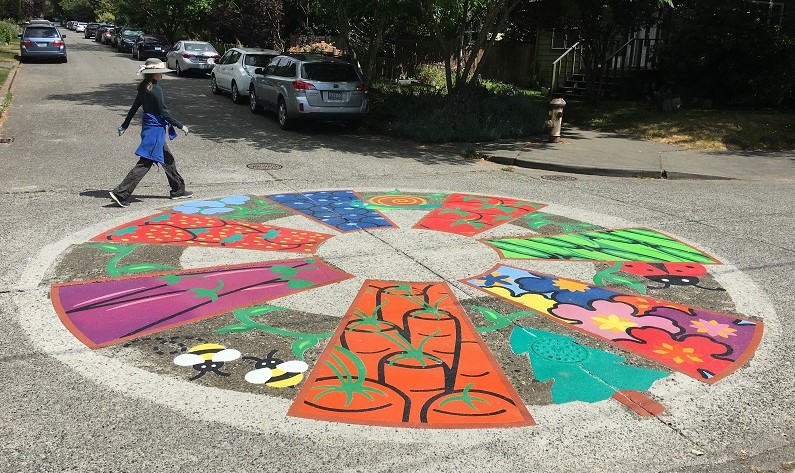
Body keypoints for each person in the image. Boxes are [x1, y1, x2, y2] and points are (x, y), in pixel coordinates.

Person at [109, 58, 193, 208]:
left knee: (167, 159)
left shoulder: (143, 88)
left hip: (150, 128)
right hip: (155, 131)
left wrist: (124, 125)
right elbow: (164, 112)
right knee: (145, 162)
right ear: (156, 73)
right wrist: (180, 125)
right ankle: (121, 193)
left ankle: (178, 189)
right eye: (161, 72)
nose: (162, 75)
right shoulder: (156, 89)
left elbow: (134, 108)